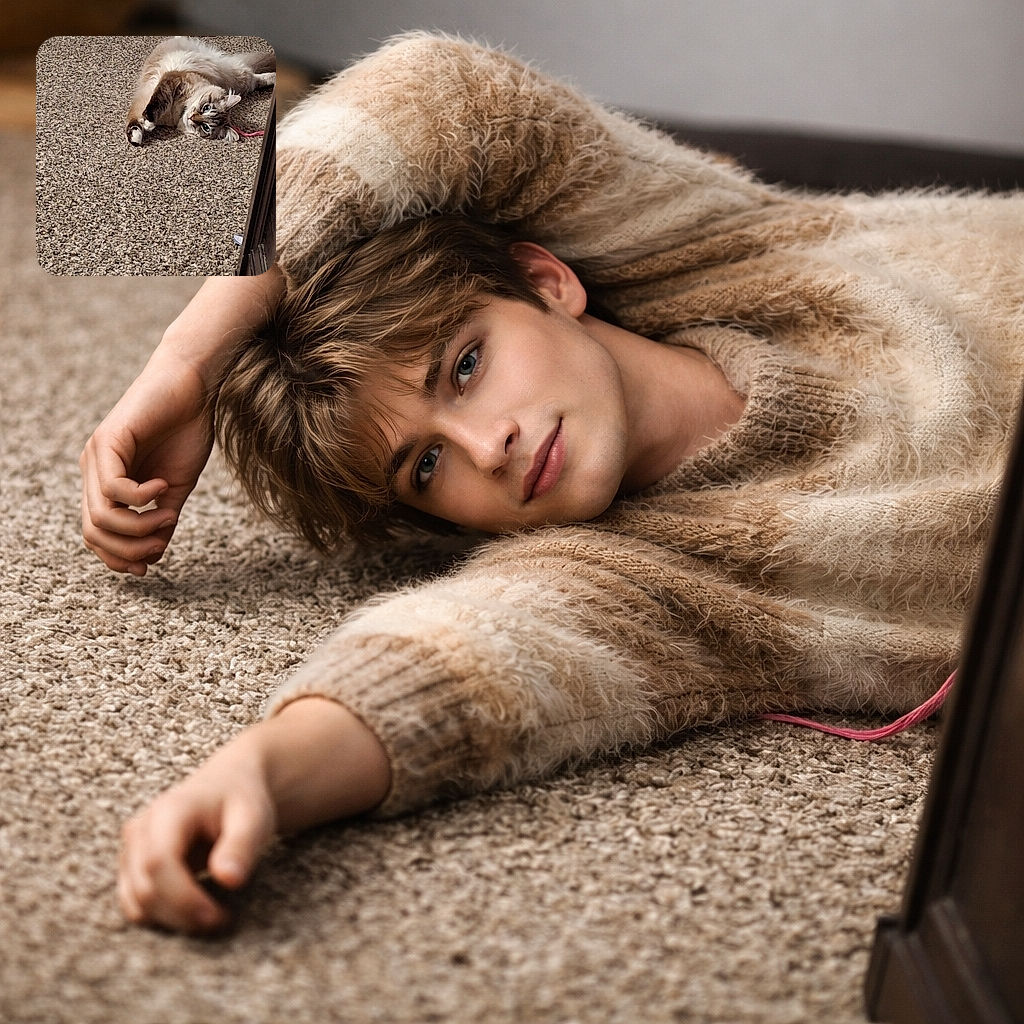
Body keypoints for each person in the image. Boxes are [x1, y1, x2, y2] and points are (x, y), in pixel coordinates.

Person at [81, 32, 1024, 934]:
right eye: (425, 465)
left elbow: (439, 93)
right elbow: (465, 661)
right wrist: (254, 773)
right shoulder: (666, 573)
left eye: (463, 367)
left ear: (546, 281)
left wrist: (188, 357)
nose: (485, 447)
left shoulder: (707, 251)